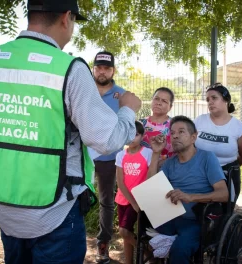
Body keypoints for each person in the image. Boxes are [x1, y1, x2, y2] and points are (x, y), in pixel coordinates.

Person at [0, 0, 141, 263]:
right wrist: (128, 110)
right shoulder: (69, 68)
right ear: (66, 18)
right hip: (55, 209)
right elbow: (105, 139)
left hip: (5, 205)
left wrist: (14, 128)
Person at [147, 116, 228, 263]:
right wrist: (156, 153)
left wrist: (191, 197)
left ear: (193, 137)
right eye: (172, 133)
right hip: (169, 217)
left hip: (196, 220)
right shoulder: (170, 163)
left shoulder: (207, 158)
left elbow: (223, 194)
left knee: (179, 250)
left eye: (181, 131)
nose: (175, 135)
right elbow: (151, 187)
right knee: (143, 235)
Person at [91, 51, 126, 263]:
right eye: (98, 67)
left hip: (108, 158)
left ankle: (102, 244)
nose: (102, 71)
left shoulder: (121, 95)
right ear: (93, 69)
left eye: (106, 68)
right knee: (74, 196)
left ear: (113, 70)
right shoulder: (83, 91)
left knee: (106, 202)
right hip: (82, 156)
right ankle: (70, 238)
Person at [194, 83, 242, 204]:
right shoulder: (200, 121)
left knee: (223, 213)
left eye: (214, 98)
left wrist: (222, 168)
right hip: (199, 173)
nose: (210, 102)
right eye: (208, 99)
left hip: (227, 175)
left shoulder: (239, 128)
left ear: (226, 100)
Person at [115, 121, 152, 264]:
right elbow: (120, 182)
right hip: (123, 199)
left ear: (142, 137)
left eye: (136, 134)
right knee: (126, 233)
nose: (132, 138)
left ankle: (147, 254)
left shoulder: (147, 153)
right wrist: (132, 202)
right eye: (129, 134)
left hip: (140, 199)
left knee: (124, 231)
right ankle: (130, 261)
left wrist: (137, 203)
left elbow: (151, 177)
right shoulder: (121, 155)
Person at [140, 87, 175, 165]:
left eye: (164, 101)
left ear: (170, 107)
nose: (158, 103)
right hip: (141, 168)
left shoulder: (174, 125)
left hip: (165, 168)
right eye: (156, 99)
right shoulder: (141, 123)